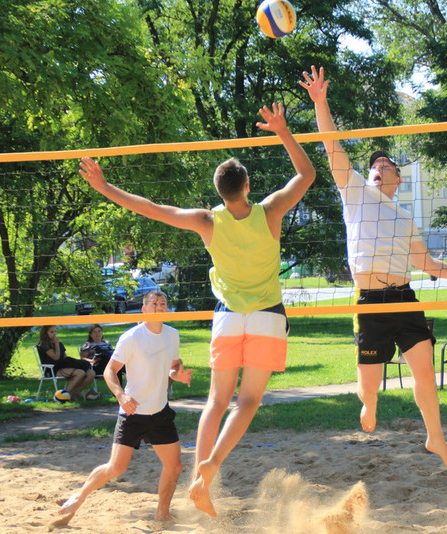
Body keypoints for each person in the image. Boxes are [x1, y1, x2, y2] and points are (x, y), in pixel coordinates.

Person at [79, 102, 315, 517]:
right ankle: (212, 466)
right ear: (247, 186)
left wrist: (104, 188)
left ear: (220, 191)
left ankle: (197, 479)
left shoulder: (207, 220)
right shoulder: (270, 210)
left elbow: (150, 208)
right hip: (267, 315)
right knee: (248, 402)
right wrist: (281, 130)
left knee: (217, 400)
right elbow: (307, 174)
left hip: (226, 317)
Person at [300, 66, 447, 474]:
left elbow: (427, 264)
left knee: (424, 373)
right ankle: (368, 402)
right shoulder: (355, 193)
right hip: (369, 304)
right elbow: (332, 146)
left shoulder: (405, 218)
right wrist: (320, 101)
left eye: (386, 163)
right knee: (370, 388)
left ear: (399, 179)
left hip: (404, 298)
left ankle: (434, 435)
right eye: (375, 164)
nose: (379, 165)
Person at [55, 291, 193, 526]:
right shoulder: (132, 337)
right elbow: (110, 371)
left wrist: (177, 375)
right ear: (144, 308)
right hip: (132, 411)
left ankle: (162, 513)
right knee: (116, 468)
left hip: (160, 412)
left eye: (163, 303)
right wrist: (121, 395)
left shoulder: (172, 335)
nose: (159, 307)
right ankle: (80, 497)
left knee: (175, 465)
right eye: (154, 303)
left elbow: (172, 366)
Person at [38, 325, 97, 401]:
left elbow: (65, 357)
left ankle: (74, 393)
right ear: (45, 333)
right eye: (51, 332)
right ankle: (64, 395)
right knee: (80, 373)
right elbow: (56, 357)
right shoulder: (44, 345)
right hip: (52, 369)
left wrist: (76, 362)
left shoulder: (59, 344)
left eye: (55, 331)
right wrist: (56, 344)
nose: (54, 334)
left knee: (91, 373)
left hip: (64, 366)